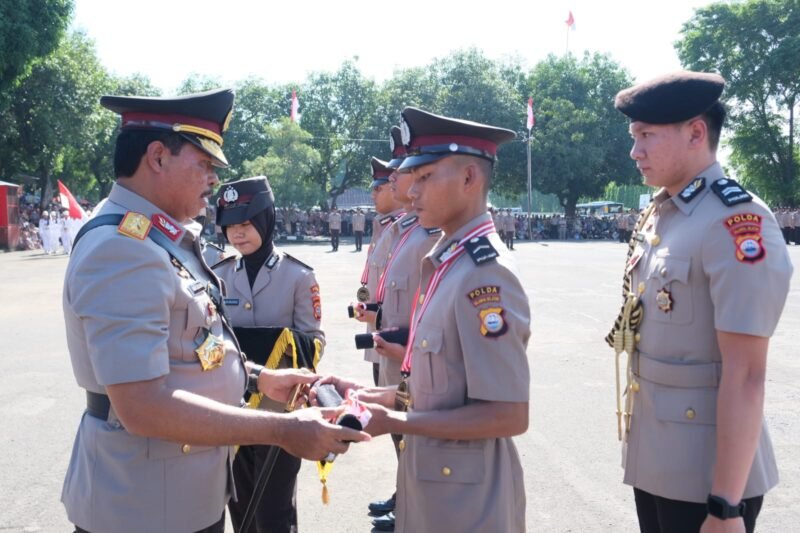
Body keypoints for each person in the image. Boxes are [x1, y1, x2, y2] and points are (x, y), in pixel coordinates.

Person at [61, 88, 368, 533]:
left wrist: (264, 378)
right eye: (204, 164)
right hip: (144, 507)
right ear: (158, 157)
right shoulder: (122, 249)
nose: (212, 179)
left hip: (178, 494)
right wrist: (282, 430)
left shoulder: (159, 239)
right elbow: (142, 407)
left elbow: (195, 347)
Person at [316, 107, 531, 533]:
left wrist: (393, 421)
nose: (411, 191)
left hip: (468, 498)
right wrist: (371, 395)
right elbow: (438, 390)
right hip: (435, 482)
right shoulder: (448, 262)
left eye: (426, 177)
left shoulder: (485, 274)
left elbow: (509, 415)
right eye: (411, 177)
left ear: (469, 179)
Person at [607, 71, 792, 533]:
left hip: (707, 476)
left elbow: (746, 374)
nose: (636, 151)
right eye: (634, 136)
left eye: (646, 135)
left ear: (695, 133)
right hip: (656, 456)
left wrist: (726, 505)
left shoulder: (737, 221)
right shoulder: (664, 212)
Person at [212, 176, 324, 533]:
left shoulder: (298, 276)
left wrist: (274, 343)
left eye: (245, 224)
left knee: (273, 511)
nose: (237, 234)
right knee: (240, 503)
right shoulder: (219, 274)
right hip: (232, 403)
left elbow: (315, 342)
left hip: (281, 410)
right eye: (231, 227)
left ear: (265, 220)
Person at [353, 155, 405, 387]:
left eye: (378, 188)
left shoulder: (403, 230)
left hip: (395, 336)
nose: (372, 194)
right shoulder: (384, 225)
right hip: (378, 329)